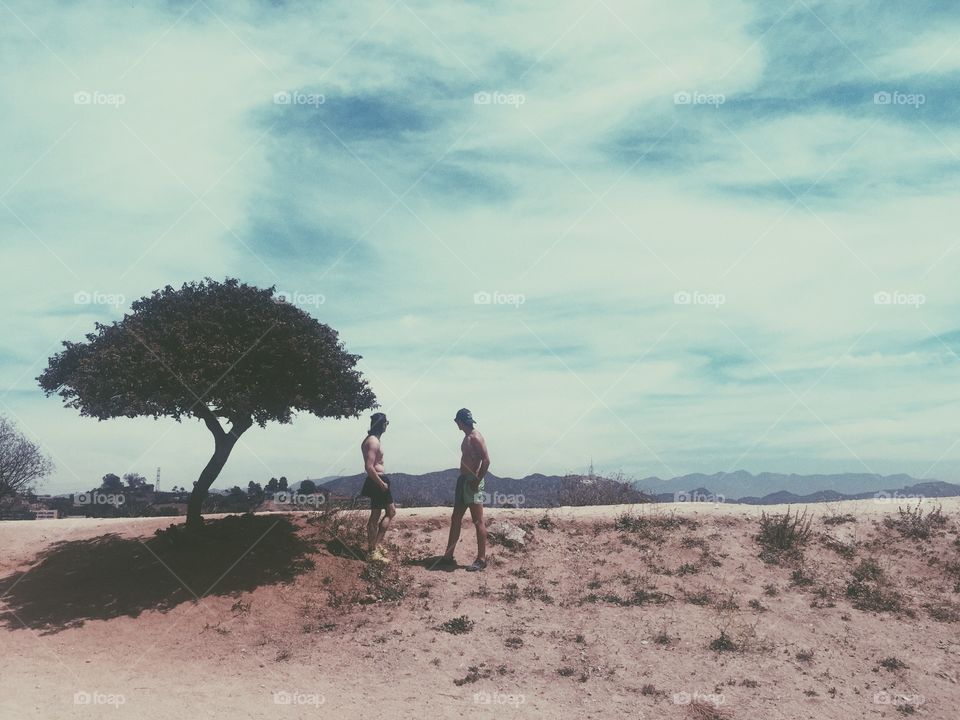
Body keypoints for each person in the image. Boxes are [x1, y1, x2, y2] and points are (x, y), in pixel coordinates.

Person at [441, 408, 490, 571]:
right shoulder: (467, 437)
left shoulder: (476, 437)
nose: (457, 424)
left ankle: (481, 559)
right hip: (463, 481)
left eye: (457, 421)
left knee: (478, 520)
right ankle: (448, 555)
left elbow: (486, 460)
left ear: (460, 422)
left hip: (472, 482)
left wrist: (477, 481)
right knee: (456, 517)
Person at [359, 412, 394, 563]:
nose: (387, 425)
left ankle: (375, 546)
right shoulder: (373, 442)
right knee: (377, 516)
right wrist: (381, 484)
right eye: (386, 422)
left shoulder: (372, 440)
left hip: (379, 480)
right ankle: (373, 550)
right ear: (382, 424)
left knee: (390, 512)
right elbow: (369, 467)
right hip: (377, 480)